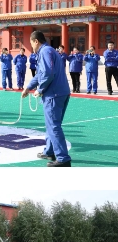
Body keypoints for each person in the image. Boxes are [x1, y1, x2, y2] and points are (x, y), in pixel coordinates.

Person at [23, 31, 72, 167]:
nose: (31, 47)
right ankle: (50, 151)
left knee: (54, 126)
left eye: (31, 43)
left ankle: (63, 158)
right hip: (61, 92)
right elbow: (40, 74)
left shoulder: (45, 52)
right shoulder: (49, 51)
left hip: (53, 95)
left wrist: (40, 89)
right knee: (52, 125)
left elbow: (47, 74)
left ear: (36, 41)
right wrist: (29, 87)